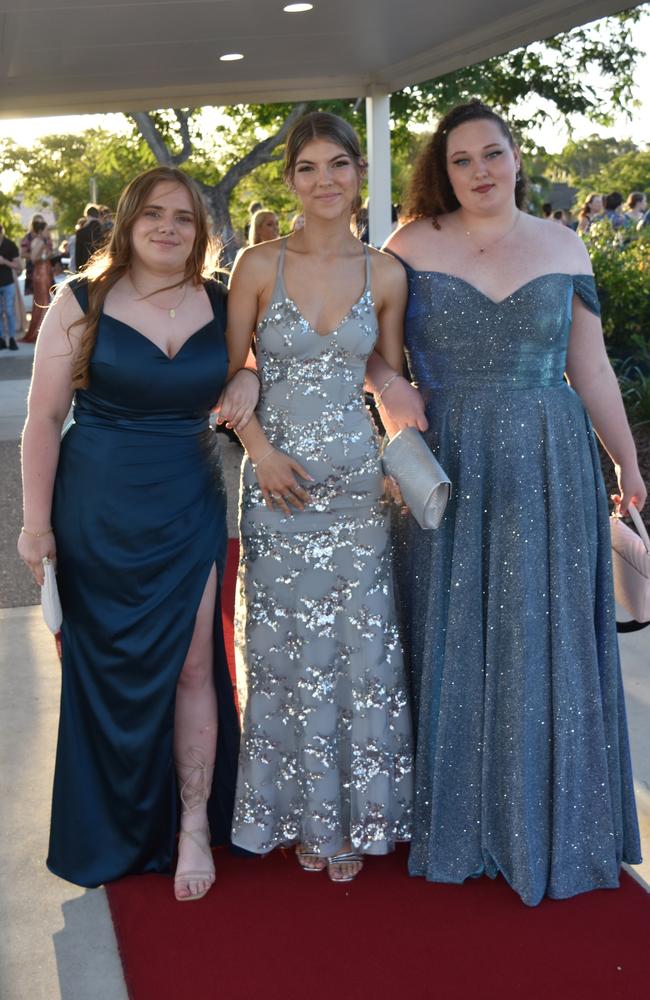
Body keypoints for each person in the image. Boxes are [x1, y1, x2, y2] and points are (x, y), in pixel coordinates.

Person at [371, 99, 645, 906]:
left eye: (493, 153)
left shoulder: (564, 242)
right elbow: (379, 367)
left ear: (518, 157)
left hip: (550, 460)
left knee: (542, 632)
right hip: (448, 459)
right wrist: (395, 412)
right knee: (449, 628)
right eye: (462, 160)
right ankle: (459, 818)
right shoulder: (408, 246)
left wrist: (627, 461)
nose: (480, 171)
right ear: (442, 170)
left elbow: (589, 368)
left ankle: (552, 821)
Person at [17, 165, 256, 901]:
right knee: (105, 670)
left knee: (193, 666)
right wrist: (34, 525)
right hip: (97, 509)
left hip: (188, 503)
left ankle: (191, 823)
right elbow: (43, 420)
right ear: (127, 222)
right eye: (153, 214)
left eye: (183, 217)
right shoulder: (78, 299)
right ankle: (112, 824)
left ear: (200, 230)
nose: (168, 228)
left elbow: (250, 368)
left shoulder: (221, 300)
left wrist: (245, 381)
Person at [227, 111, 413, 883]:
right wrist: (260, 451)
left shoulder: (388, 272)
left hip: (358, 490)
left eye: (339, 164)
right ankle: (296, 817)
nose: (325, 179)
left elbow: (387, 373)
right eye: (308, 167)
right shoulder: (256, 264)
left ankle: (361, 818)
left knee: (361, 655)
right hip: (278, 489)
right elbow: (232, 369)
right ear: (291, 181)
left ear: (359, 174)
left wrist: (404, 444)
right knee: (282, 658)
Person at [21, 220, 53, 343]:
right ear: (40, 231)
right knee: (42, 301)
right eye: (46, 230)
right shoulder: (38, 241)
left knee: (44, 300)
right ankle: (40, 332)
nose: (48, 232)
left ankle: (42, 330)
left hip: (44, 272)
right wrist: (46, 257)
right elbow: (34, 258)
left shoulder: (41, 241)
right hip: (40, 274)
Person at [0, 222, 22, 350]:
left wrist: (4, 261)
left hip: (8, 283)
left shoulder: (10, 245)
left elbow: (19, 266)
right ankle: (2, 339)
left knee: (9, 311)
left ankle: (12, 339)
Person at [74, 204, 104, 270]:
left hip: (86, 268)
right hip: (102, 266)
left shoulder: (80, 232)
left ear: (87, 216)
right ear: (98, 215)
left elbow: (78, 255)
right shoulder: (105, 230)